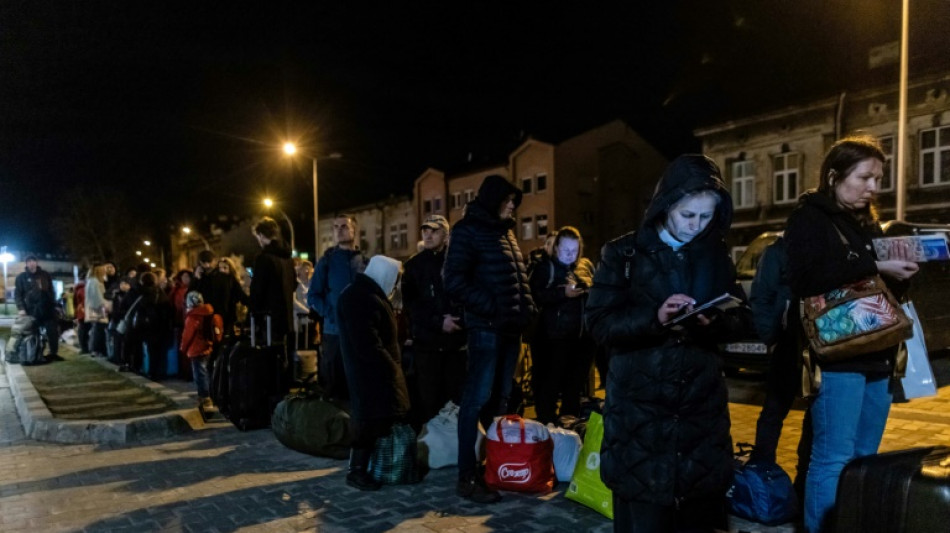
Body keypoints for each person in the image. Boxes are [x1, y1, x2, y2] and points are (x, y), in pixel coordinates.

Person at [585, 155, 751, 532]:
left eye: (706, 217)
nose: (696, 226)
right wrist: (655, 319)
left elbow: (744, 318)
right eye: (688, 215)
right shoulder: (623, 253)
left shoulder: (716, 254)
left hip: (700, 420)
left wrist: (712, 322)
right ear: (666, 206)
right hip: (640, 420)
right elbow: (598, 323)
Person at [784, 135, 919, 533]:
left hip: (879, 352)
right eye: (865, 177)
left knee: (865, 457)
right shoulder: (809, 218)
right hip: (839, 354)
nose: (874, 188)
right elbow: (804, 279)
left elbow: (878, 289)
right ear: (834, 176)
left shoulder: (865, 221)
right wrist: (873, 264)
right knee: (833, 457)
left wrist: (903, 272)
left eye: (878, 178)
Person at [443, 174, 536, 504]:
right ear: (493, 198)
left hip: (509, 329)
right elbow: (453, 280)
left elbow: (515, 279)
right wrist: (491, 307)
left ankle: (491, 466)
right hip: (486, 329)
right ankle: (467, 476)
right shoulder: (467, 230)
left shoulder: (506, 232)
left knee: (499, 400)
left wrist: (527, 311)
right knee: (475, 399)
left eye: (514, 201)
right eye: (508, 200)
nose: (512, 205)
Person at [337, 255, 410, 491]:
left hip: (370, 369)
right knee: (367, 420)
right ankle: (357, 471)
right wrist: (390, 366)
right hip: (369, 371)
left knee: (372, 419)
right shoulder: (362, 297)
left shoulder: (364, 294)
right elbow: (368, 343)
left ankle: (368, 467)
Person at [748, 236, 812, 500]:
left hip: (823, 341)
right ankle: (760, 475)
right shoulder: (780, 249)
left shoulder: (828, 243)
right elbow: (761, 296)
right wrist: (771, 338)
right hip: (788, 341)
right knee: (774, 410)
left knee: (816, 416)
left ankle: (805, 481)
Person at [402, 214, 466, 424]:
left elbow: (468, 296)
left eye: (434, 231)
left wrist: (459, 321)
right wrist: (439, 321)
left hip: (455, 346)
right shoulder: (413, 266)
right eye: (425, 230)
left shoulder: (459, 263)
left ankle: (452, 450)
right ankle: (430, 450)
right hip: (427, 346)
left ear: (446, 236)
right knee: (429, 401)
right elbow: (412, 306)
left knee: (456, 401)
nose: (428, 235)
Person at [528, 226, 595, 425]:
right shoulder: (545, 267)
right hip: (554, 337)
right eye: (566, 250)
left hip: (582, 337)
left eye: (574, 251)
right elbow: (534, 296)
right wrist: (562, 293)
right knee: (551, 383)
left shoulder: (585, 266)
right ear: (557, 248)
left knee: (574, 386)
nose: (570, 255)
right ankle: (547, 425)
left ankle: (570, 425)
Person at [308, 214, 368, 400]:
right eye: (336, 227)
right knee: (334, 383)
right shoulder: (326, 262)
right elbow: (313, 295)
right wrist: (330, 313)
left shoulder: (364, 261)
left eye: (344, 226)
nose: (340, 230)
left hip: (359, 332)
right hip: (334, 333)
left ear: (354, 230)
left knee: (359, 382)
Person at [249, 217, 296, 390]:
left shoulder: (264, 258)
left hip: (268, 322)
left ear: (261, 235)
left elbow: (257, 293)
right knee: (285, 363)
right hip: (287, 320)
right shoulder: (288, 258)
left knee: (269, 367)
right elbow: (294, 285)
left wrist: (253, 314)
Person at [14, 255, 60, 361]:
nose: (31, 263)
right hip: (31, 309)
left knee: (52, 331)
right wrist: (21, 308)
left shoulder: (45, 275)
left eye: (33, 261)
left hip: (47, 308)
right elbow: (18, 295)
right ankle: (34, 354)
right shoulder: (21, 277)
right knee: (33, 332)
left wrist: (55, 304)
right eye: (29, 261)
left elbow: (51, 290)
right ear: (26, 263)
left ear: (36, 262)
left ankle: (53, 353)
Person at [180, 291, 219, 414]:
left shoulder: (193, 317)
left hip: (196, 349)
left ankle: (204, 397)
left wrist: (183, 348)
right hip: (208, 347)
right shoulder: (208, 313)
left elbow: (188, 335)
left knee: (199, 374)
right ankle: (211, 395)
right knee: (207, 372)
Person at [83, 264, 110, 358]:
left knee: (97, 329)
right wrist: (107, 305)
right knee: (99, 330)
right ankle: (98, 349)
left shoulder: (91, 281)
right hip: (98, 309)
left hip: (94, 308)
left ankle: (95, 349)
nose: (104, 271)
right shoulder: (95, 282)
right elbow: (98, 298)